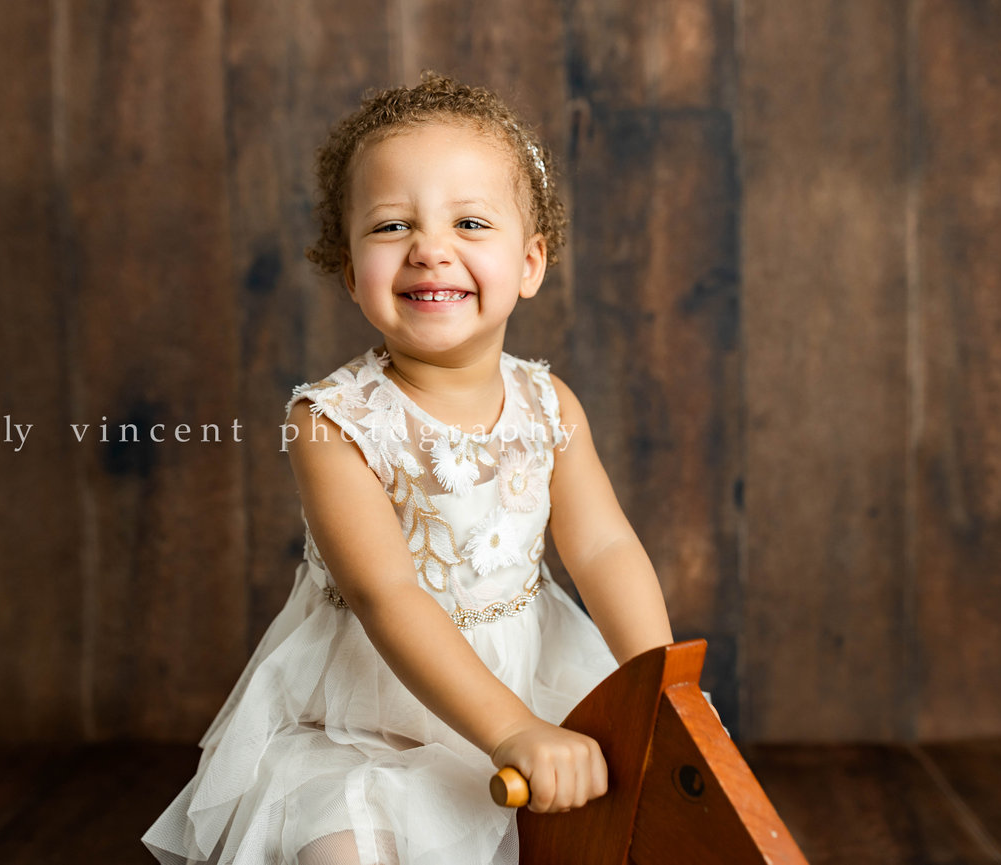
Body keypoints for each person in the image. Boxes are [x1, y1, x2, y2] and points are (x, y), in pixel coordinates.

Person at [143, 71, 692, 865]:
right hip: (371, 718)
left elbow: (603, 546)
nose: (431, 248)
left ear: (531, 262)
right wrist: (510, 729)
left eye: (470, 221)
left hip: (534, 678)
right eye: (392, 225)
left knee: (611, 827)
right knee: (341, 849)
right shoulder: (334, 422)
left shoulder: (549, 405)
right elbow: (386, 593)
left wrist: (658, 689)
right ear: (347, 268)